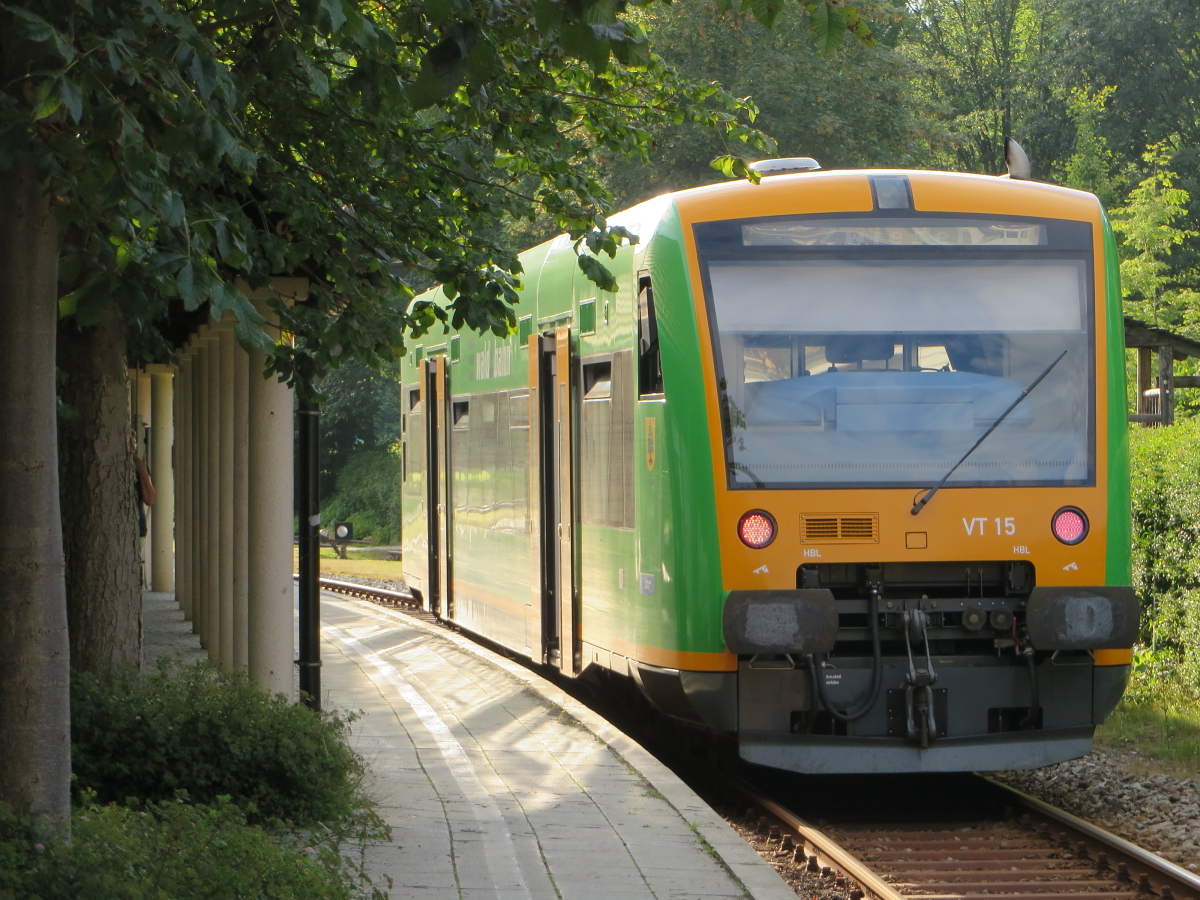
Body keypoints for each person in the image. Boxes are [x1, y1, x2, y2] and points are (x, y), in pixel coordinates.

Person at [132, 434, 156, 537]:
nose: (132, 449)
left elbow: (150, 500)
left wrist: (143, 472)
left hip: (138, 530)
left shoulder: (140, 467)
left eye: (134, 445)